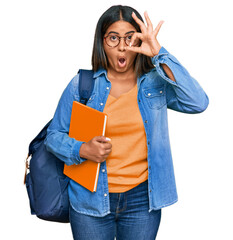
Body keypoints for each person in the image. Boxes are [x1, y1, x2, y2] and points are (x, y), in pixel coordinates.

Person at [44, 5, 209, 240]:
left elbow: (198, 102)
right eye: (113, 38)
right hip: (90, 198)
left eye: (130, 38)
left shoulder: (155, 84)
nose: (122, 46)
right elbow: (54, 136)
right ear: (102, 42)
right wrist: (83, 149)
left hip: (142, 200)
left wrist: (158, 53)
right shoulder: (82, 85)